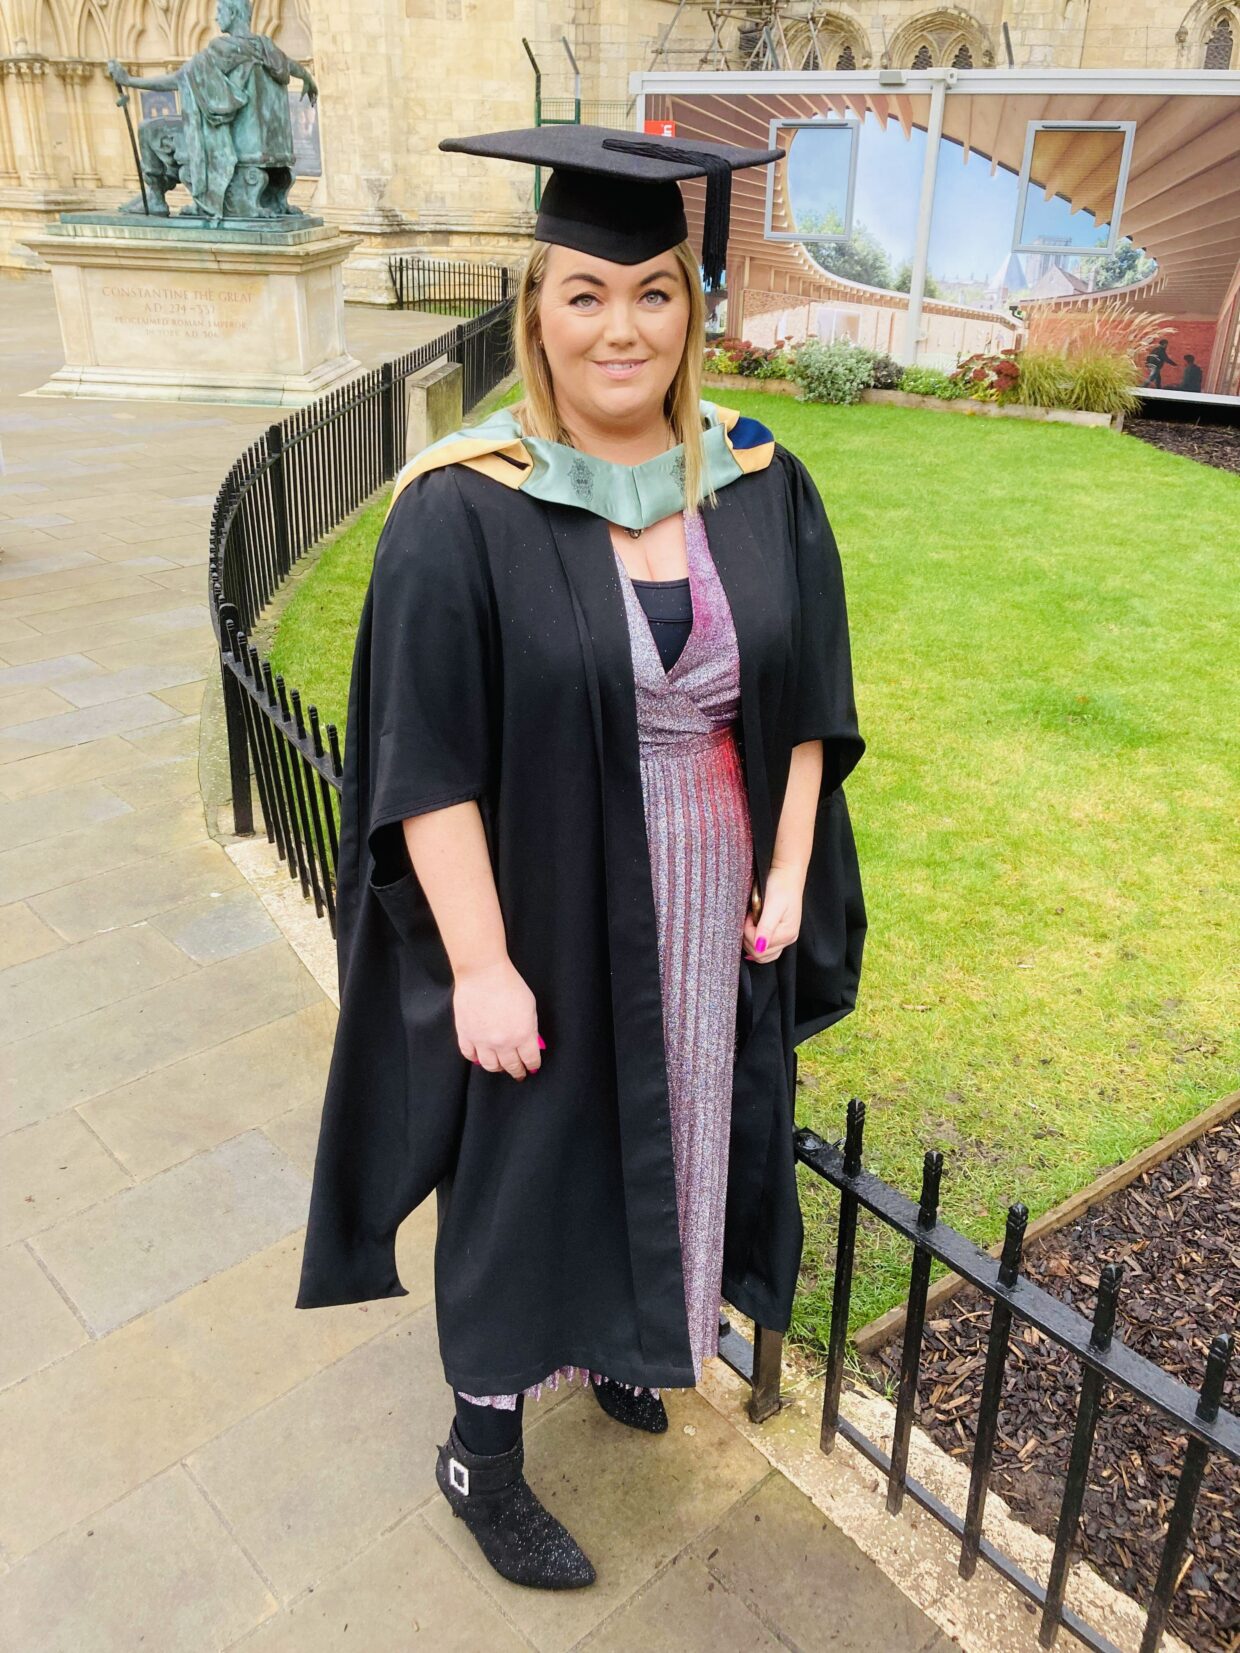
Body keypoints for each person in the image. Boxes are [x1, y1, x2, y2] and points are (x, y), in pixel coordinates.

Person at [295, 124, 866, 1590]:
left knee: (680, 1130)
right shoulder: (464, 507)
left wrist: (792, 871)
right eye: (587, 295)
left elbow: (805, 699)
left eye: (654, 294)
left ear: (692, 307)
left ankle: (632, 1337)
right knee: (531, 1165)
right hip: (544, 901)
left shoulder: (756, 477)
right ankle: (480, 1449)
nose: (624, 327)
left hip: (704, 898)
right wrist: (479, 964)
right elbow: (423, 767)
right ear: (535, 309)